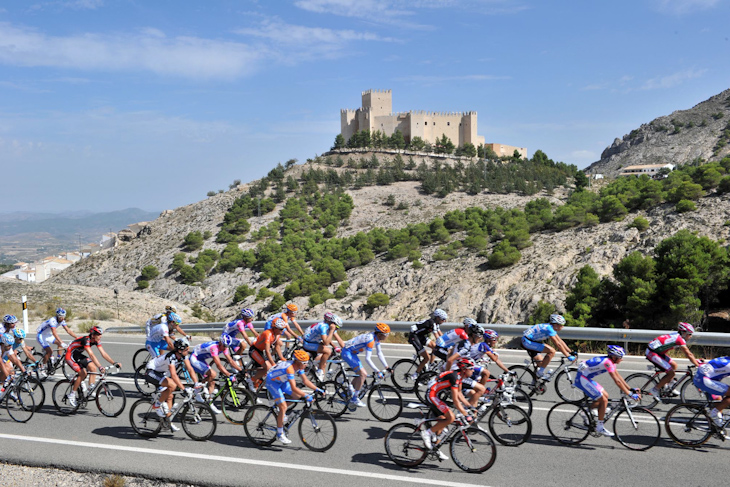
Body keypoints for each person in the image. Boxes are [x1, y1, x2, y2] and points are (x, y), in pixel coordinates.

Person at [573, 345, 639, 437]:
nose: (622, 359)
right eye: (620, 357)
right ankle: (600, 427)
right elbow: (617, 381)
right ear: (614, 357)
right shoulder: (607, 363)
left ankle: (586, 412)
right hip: (582, 379)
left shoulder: (610, 362)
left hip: (586, 377)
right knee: (603, 400)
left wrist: (629, 389)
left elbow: (618, 376)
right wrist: (629, 394)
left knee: (605, 396)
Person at [422, 357, 477, 461]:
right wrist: (465, 414)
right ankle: (427, 433)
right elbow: (456, 400)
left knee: (443, 425)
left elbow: (460, 394)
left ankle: (434, 449)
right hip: (432, 394)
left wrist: (470, 406)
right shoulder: (455, 377)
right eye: (471, 368)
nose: (473, 370)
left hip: (436, 394)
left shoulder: (460, 376)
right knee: (451, 417)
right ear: (465, 369)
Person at [265, 349, 325, 444]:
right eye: (305, 362)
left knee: (296, 397)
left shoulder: (299, 367)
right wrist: (306, 395)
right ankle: (280, 434)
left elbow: (305, 381)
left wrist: (317, 389)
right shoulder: (290, 368)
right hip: (272, 382)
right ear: (298, 362)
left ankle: (279, 409)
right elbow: (293, 387)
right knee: (284, 406)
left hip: (281, 381)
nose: (306, 364)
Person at [145, 338, 198, 432]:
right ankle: (157, 405)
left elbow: (190, 369)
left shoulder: (183, 355)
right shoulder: (171, 357)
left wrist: (196, 383)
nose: (188, 351)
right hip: (151, 371)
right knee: (173, 385)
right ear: (180, 350)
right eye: (186, 349)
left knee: (170, 396)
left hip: (161, 373)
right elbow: (173, 375)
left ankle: (168, 421)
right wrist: (183, 389)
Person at [64, 326, 121, 408]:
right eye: (98, 334)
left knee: (93, 368)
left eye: (101, 334)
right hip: (70, 355)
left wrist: (114, 363)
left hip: (77, 355)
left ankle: (90, 389)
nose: (100, 336)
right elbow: (91, 355)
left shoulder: (96, 340)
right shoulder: (86, 340)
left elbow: (103, 353)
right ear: (93, 335)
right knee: (82, 374)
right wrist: (100, 367)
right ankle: (71, 395)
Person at [644, 322, 701, 400]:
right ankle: (655, 389)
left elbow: (690, 355)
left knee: (674, 365)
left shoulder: (677, 336)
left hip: (658, 352)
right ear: (684, 333)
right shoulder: (679, 339)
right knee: (671, 373)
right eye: (689, 334)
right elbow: (688, 354)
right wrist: (698, 365)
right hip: (652, 352)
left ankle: (668, 385)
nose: (690, 336)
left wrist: (695, 361)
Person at [340, 323, 391, 408]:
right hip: (347, 352)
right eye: (386, 334)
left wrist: (387, 367)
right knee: (363, 374)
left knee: (360, 374)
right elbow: (367, 359)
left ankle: (346, 393)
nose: (387, 336)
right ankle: (354, 399)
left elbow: (379, 353)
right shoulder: (370, 340)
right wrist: (377, 371)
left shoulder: (376, 338)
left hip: (352, 353)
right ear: (379, 334)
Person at [188, 335, 241, 413]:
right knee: (213, 374)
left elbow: (231, 361)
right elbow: (218, 365)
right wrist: (228, 374)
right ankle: (197, 391)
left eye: (227, 346)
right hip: (195, 358)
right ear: (220, 343)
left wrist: (241, 370)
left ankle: (208, 402)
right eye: (224, 346)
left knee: (212, 382)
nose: (225, 348)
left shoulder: (224, 347)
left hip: (201, 359)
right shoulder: (214, 348)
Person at [521, 314, 576, 379]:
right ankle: (540, 373)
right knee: (552, 351)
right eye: (561, 325)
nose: (562, 327)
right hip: (528, 342)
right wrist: (568, 355)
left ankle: (535, 382)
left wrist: (570, 352)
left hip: (531, 341)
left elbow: (560, 341)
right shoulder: (549, 329)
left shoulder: (550, 327)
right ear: (556, 324)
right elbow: (558, 344)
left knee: (542, 364)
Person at [302, 312, 345, 381]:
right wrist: (331, 330)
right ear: (332, 323)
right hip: (308, 343)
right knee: (328, 351)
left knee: (324, 364)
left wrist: (345, 349)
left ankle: (320, 381)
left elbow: (339, 340)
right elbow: (326, 342)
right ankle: (319, 370)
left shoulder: (331, 326)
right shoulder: (323, 327)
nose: (337, 329)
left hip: (315, 342)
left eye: (338, 328)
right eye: (337, 327)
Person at [37, 307, 78, 377]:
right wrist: (61, 342)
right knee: (50, 351)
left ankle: (58, 358)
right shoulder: (52, 320)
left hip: (47, 335)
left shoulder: (62, 321)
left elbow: (68, 331)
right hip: (41, 335)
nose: (62, 318)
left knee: (60, 345)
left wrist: (77, 338)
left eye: (63, 317)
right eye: (60, 317)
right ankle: (42, 367)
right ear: (57, 315)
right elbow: (54, 333)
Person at [408, 309, 446, 379]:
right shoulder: (432, 323)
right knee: (427, 357)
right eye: (443, 319)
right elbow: (437, 337)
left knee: (435, 346)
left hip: (420, 336)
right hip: (414, 337)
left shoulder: (436, 324)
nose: (444, 321)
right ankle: (415, 374)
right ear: (437, 318)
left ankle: (430, 365)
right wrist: (444, 345)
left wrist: (448, 342)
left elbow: (441, 335)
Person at [693, 356, 730, 426]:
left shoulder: (726, 359)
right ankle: (714, 412)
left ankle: (718, 430)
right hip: (705, 380)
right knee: (717, 409)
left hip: (703, 378)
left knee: (719, 404)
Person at [249, 318, 287, 386]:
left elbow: (277, 346)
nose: (282, 330)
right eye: (281, 329)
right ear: (275, 328)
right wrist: (273, 363)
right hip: (254, 350)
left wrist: (282, 358)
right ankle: (251, 380)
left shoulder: (277, 334)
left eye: (283, 328)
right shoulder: (268, 334)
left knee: (267, 367)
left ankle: (257, 381)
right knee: (268, 367)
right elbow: (267, 351)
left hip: (260, 351)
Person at [1, 315, 27, 392]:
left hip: (3, 347)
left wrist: (23, 370)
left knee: (11, 370)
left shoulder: (7, 344)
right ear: (8, 323)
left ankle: (5, 388)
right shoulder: (1, 329)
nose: (15, 325)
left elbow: (14, 359)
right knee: (6, 370)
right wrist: (6, 375)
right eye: (13, 323)